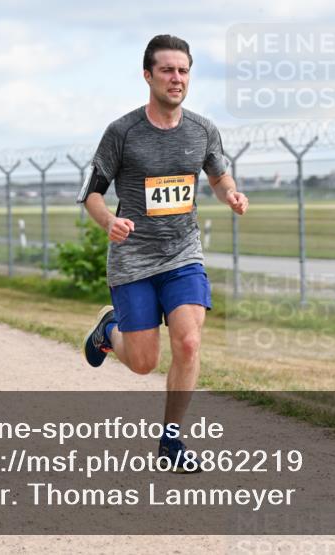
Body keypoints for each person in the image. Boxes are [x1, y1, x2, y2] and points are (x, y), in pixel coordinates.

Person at [77, 34, 248, 473]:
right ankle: (107, 330)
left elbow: (218, 176)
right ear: (148, 75)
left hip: (182, 253)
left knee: (189, 341)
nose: (177, 78)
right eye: (168, 70)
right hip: (133, 258)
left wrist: (230, 194)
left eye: (184, 70)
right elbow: (92, 194)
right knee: (142, 363)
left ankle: (171, 439)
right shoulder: (122, 132)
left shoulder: (203, 129)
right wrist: (108, 222)